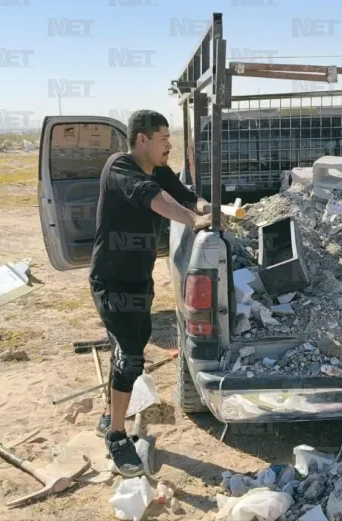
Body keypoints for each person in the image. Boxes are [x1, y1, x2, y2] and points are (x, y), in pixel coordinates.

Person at [89, 110, 212, 477]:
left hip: (139, 280)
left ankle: (110, 413)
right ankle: (116, 435)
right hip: (111, 281)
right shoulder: (121, 168)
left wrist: (208, 210)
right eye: (163, 138)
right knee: (130, 358)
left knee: (130, 348)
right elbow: (154, 199)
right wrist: (193, 220)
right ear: (142, 139)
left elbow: (186, 197)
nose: (169, 145)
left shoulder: (158, 170)